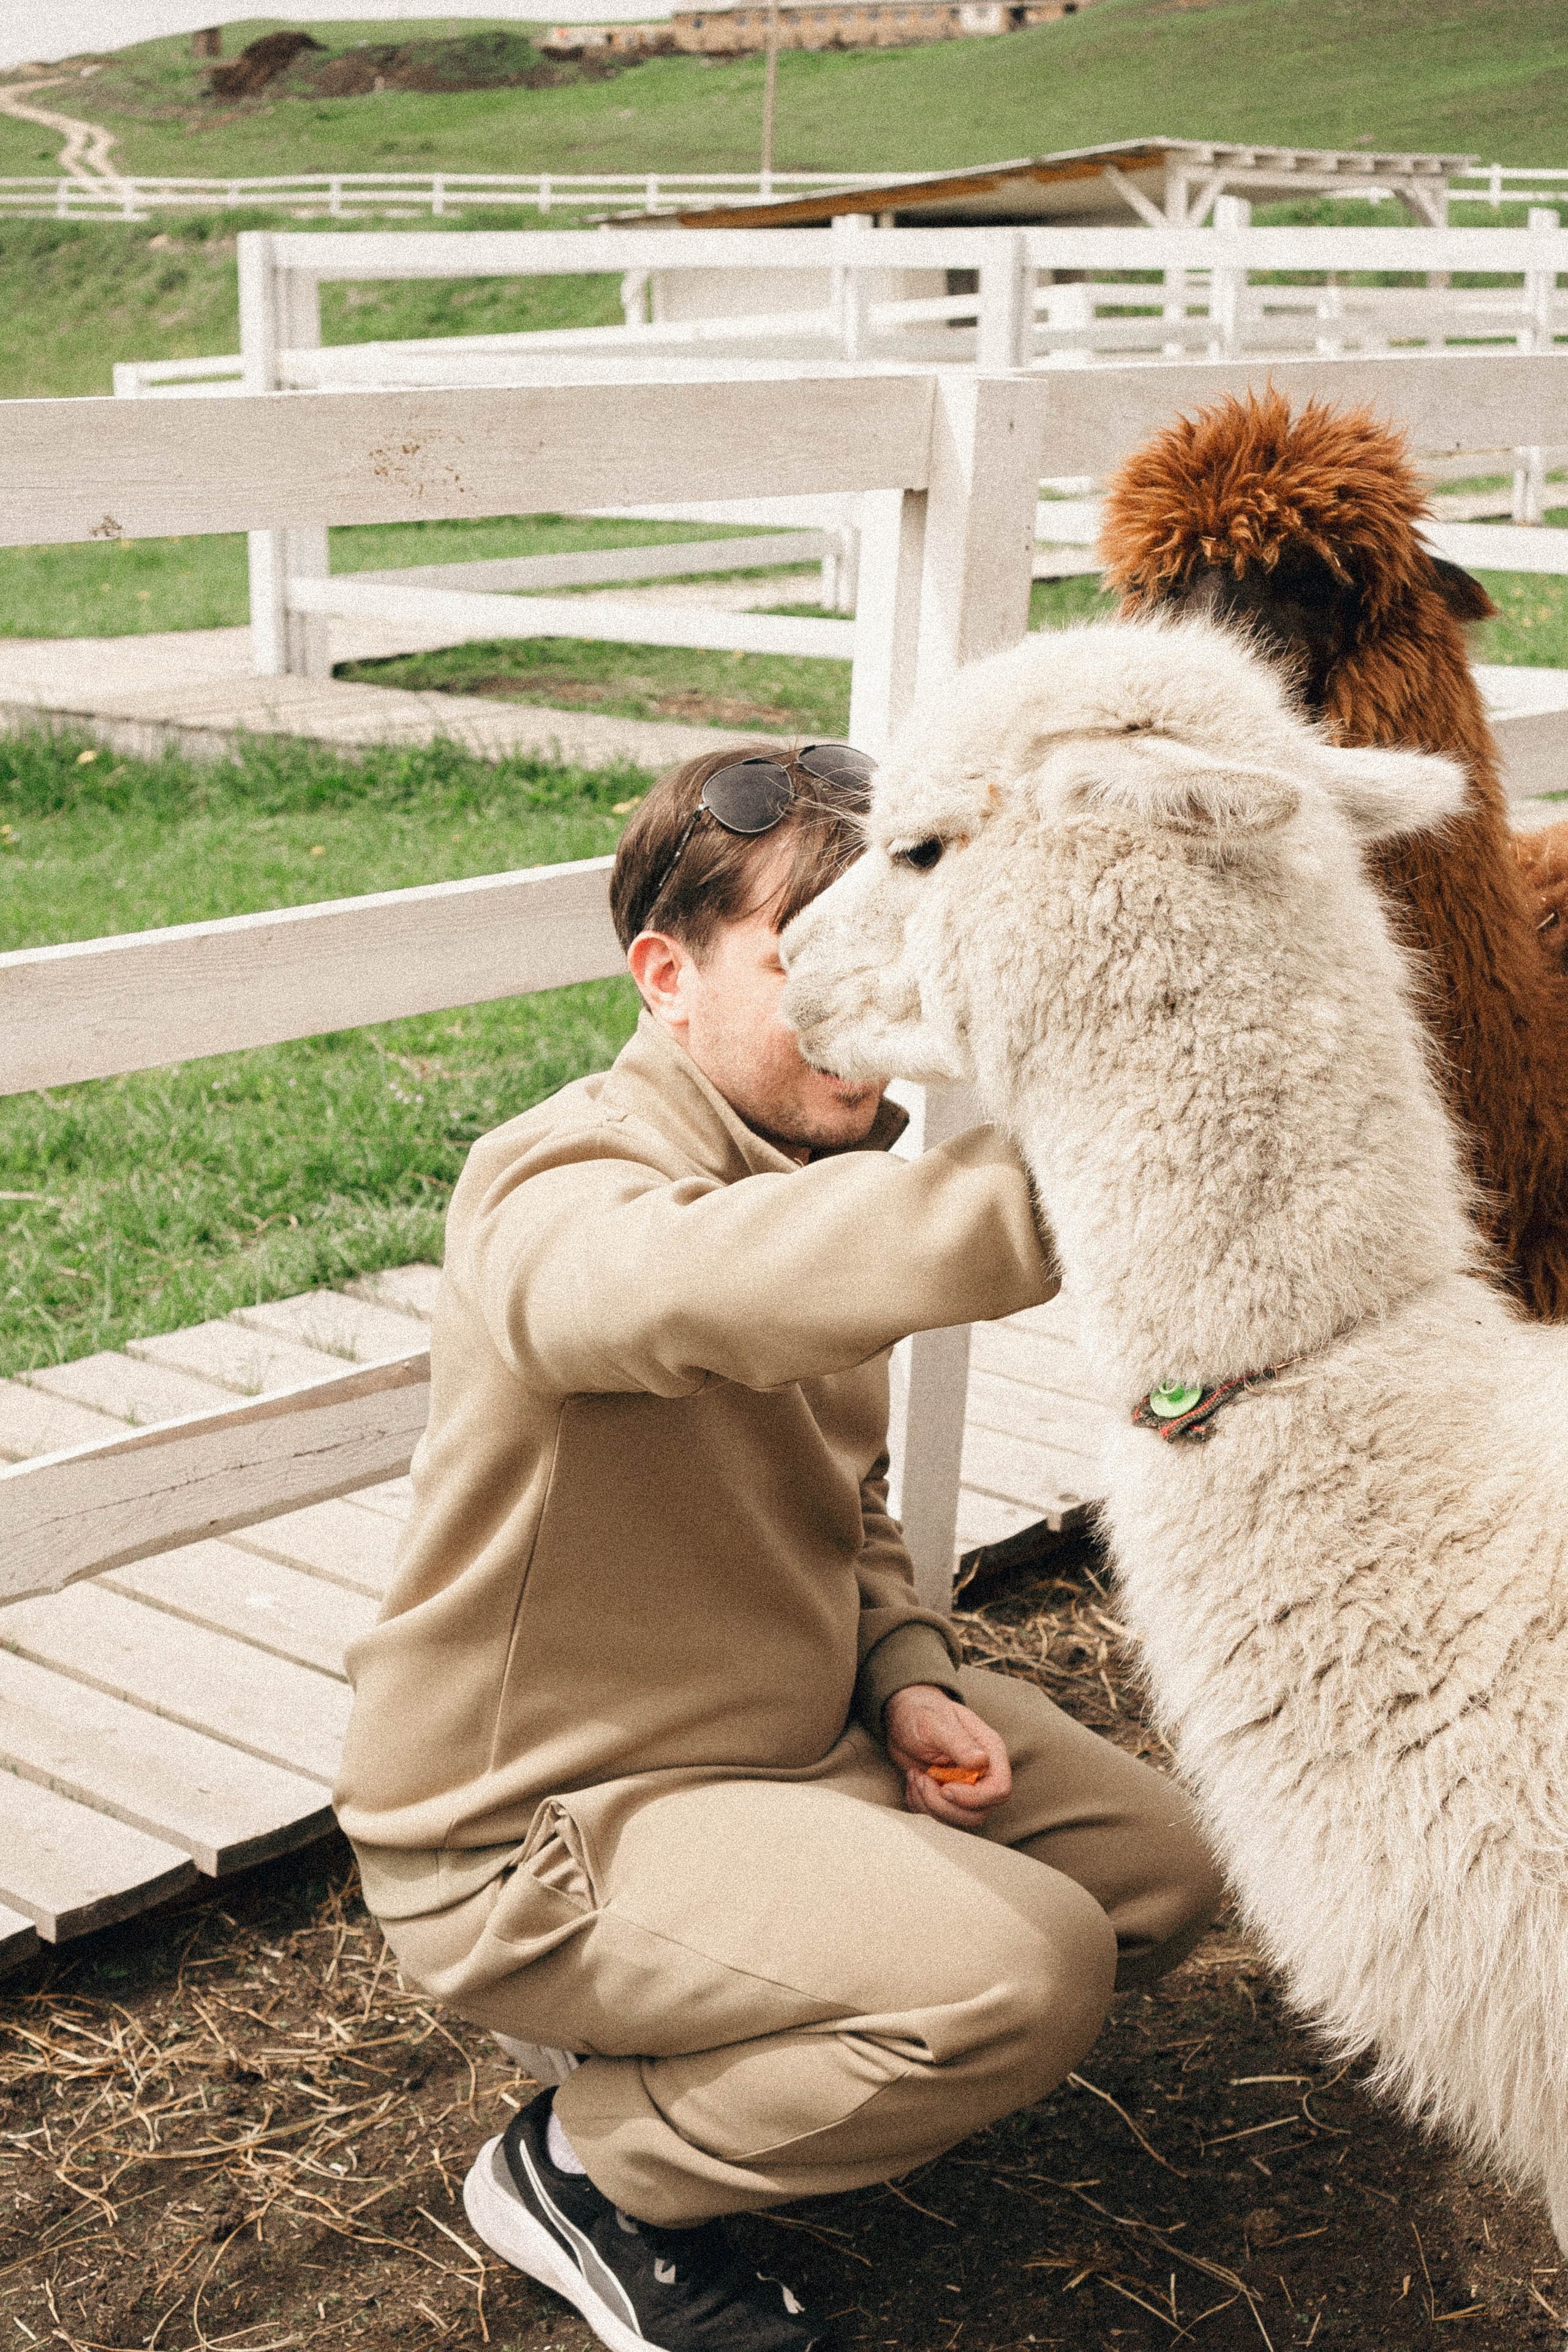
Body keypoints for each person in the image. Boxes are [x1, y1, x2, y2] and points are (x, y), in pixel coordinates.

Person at [334, 740, 1222, 2352]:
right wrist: (1088, 1176)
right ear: (666, 978)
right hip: (539, 1829)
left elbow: (851, 1510)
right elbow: (671, 1296)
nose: (864, 998)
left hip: (784, 1749)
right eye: (799, 951)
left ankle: (744, 2055)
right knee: (1024, 1973)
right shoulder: (557, 1183)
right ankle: (592, 2169)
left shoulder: (816, 1177)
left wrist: (908, 1677)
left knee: (1156, 1876)